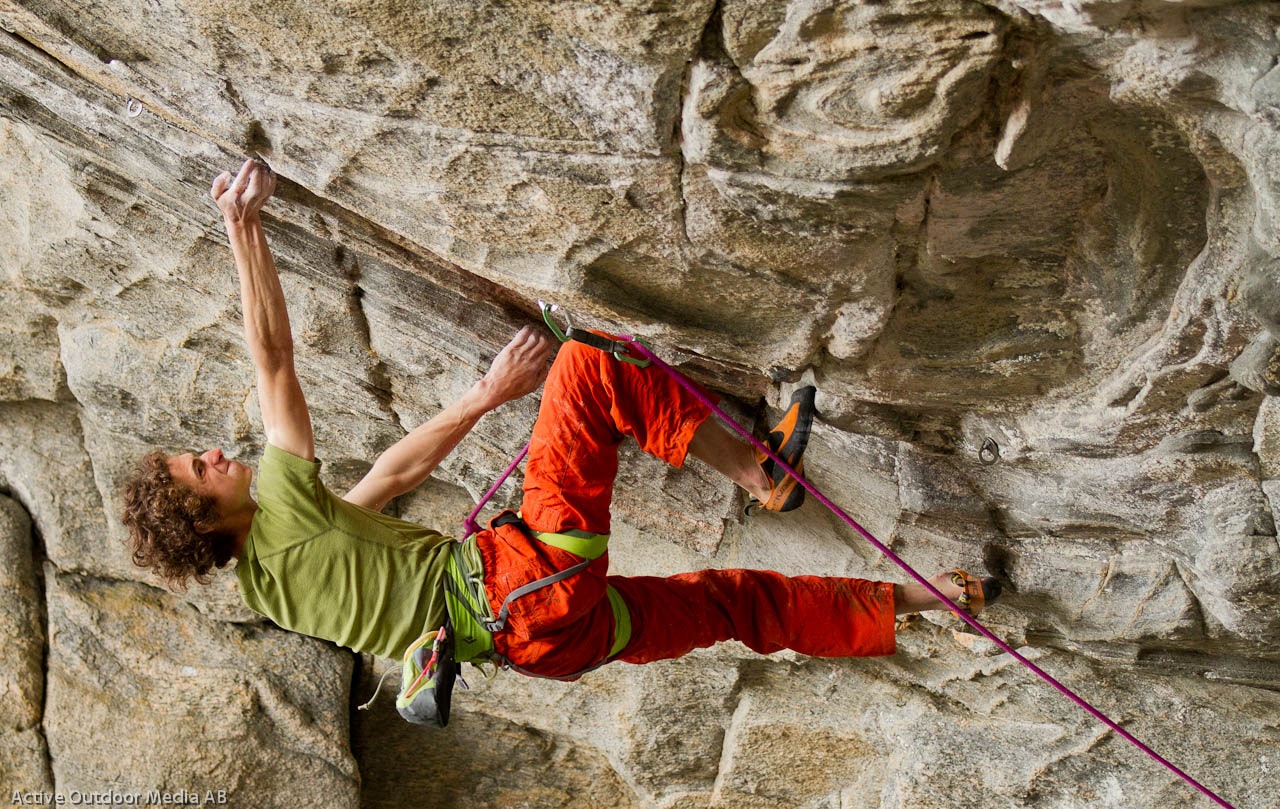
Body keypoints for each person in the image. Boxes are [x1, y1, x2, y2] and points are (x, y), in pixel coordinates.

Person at [121, 159, 999, 683]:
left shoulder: (271, 585)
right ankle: (760, 473)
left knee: (736, 604)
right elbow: (273, 362)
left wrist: (480, 400)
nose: (211, 453)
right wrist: (243, 227)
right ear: (206, 513)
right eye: (196, 469)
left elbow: (383, 485)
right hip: (527, 581)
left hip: (548, 645)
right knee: (585, 368)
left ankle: (937, 602)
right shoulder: (276, 500)